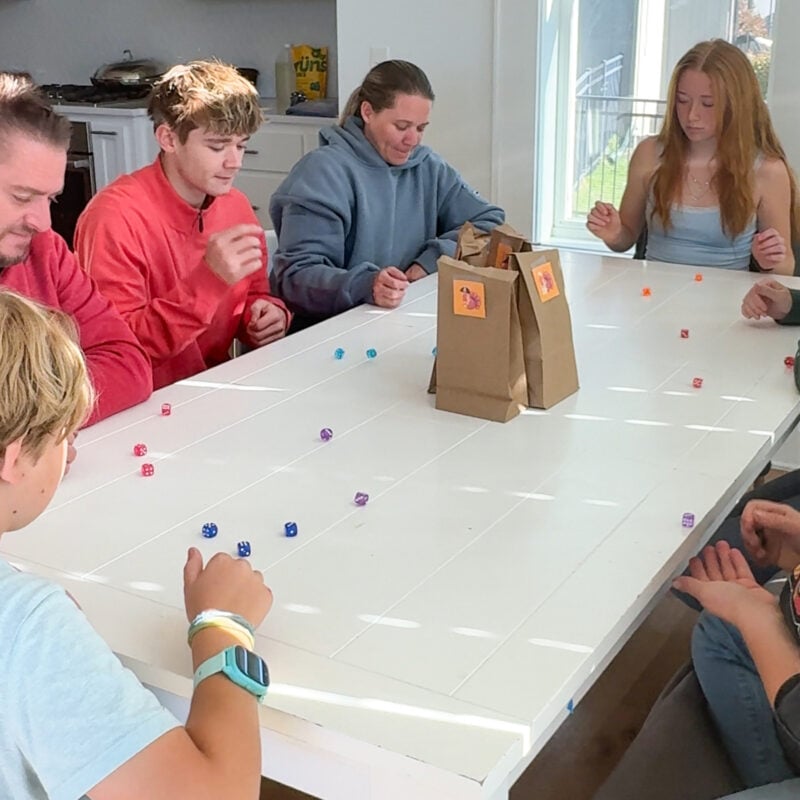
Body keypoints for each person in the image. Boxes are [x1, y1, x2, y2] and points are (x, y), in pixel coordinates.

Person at [0, 289, 273, 799]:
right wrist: (223, 630)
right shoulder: (25, 626)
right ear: (13, 460)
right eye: (67, 434)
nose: (72, 449)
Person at [75, 60, 290, 390]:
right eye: (217, 146)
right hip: (144, 404)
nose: (234, 162)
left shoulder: (236, 205)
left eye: (241, 145)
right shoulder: (113, 217)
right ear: (168, 138)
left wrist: (265, 316)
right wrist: (209, 281)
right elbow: (121, 351)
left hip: (215, 388)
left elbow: (255, 295)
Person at [269, 59, 505, 328]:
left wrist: (432, 259)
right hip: (331, 333)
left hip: (402, 322)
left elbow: (489, 222)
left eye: (420, 128)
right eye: (402, 126)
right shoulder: (322, 172)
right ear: (368, 112)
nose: (413, 140)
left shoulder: (429, 167)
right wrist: (365, 285)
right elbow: (296, 279)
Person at [0, 73, 152, 427]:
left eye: (50, 199)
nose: (43, 222)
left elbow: (128, 363)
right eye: (22, 197)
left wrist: (42, 427)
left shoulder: (46, 252)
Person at [586, 39, 796, 275]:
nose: (692, 115)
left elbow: (785, 268)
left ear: (737, 106)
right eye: (682, 101)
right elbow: (625, 239)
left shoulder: (768, 171)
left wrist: (769, 261)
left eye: (708, 104)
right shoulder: (649, 154)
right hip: (652, 295)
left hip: (727, 303)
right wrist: (613, 232)